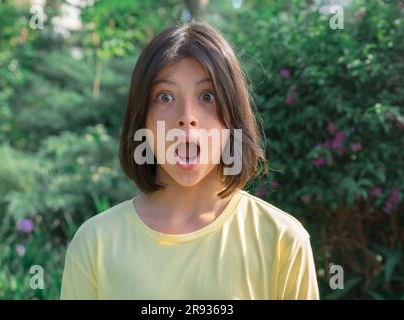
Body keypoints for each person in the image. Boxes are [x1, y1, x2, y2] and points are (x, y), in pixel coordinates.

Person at [60, 20, 320, 300]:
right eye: (165, 97)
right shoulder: (94, 244)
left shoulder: (284, 240)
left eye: (208, 96)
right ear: (142, 120)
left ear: (233, 117)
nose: (187, 117)